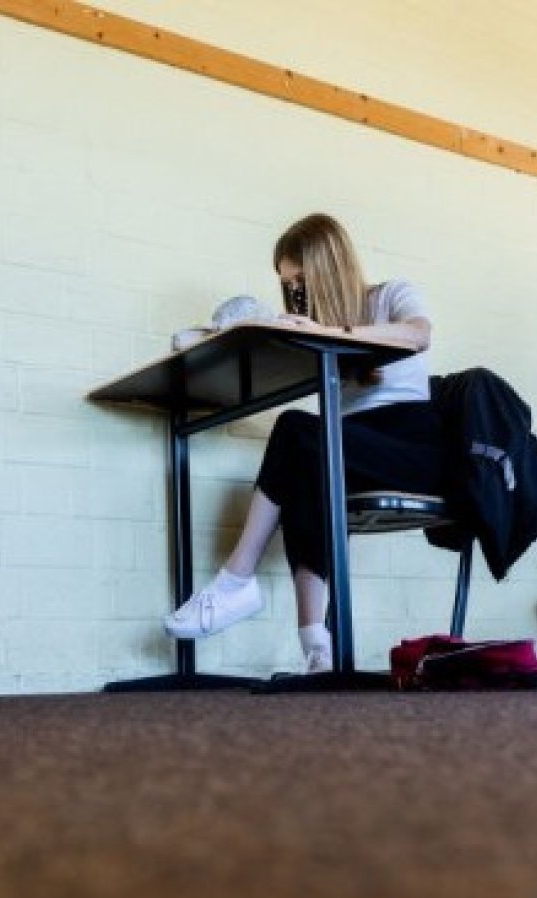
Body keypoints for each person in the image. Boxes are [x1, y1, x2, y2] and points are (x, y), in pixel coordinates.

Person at [162, 213, 439, 673]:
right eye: (288, 284)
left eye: (301, 281)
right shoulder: (313, 324)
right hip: (351, 448)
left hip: (409, 445)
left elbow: (419, 334)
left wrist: (333, 333)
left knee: (296, 432)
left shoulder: (390, 294)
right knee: (305, 471)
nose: (296, 293)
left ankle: (236, 579)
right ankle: (318, 650)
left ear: (327, 268)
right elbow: (200, 341)